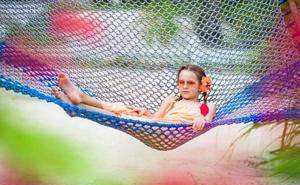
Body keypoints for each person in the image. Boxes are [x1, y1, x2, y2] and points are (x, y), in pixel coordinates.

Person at [52, 64, 216, 131]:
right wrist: (146, 112)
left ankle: (78, 104)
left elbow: (206, 122)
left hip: (169, 131)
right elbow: (156, 118)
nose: (185, 86)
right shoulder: (172, 100)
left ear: (201, 85)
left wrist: (202, 121)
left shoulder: (207, 105)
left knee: (122, 114)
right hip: (154, 125)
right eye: (181, 82)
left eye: (190, 83)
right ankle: (79, 101)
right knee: (123, 108)